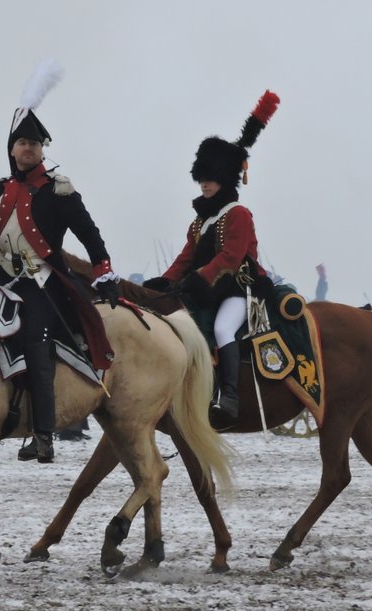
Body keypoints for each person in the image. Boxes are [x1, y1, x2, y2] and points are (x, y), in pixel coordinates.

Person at [0, 62, 120, 463]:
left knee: (34, 343)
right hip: (1, 280)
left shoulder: (60, 189)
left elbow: (90, 235)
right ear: (12, 149)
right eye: (22, 144)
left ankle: (43, 435)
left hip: (42, 284)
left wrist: (104, 271)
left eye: (34, 145)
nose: (28, 150)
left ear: (41, 151)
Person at [143, 91, 280, 420]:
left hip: (237, 289)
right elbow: (186, 256)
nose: (204, 184)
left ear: (225, 180)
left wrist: (196, 281)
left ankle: (229, 398)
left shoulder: (239, 214)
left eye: (211, 179)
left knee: (222, 329)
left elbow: (231, 258)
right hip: (203, 289)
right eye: (202, 179)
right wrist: (165, 281)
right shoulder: (200, 221)